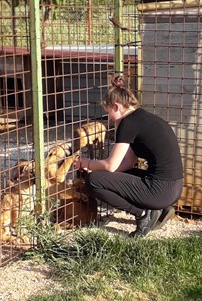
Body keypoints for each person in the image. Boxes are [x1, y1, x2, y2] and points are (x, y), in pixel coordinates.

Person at [74, 75, 183, 238]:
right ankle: (157, 209)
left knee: (92, 181)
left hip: (160, 190)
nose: (109, 119)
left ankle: (143, 213)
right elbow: (128, 162)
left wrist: (86, 163)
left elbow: (111, 165)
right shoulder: (143, 118)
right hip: (173, 189)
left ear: (116, 107)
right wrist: (103, 172)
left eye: (108, 113)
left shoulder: (127, 124)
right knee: (104, 176)